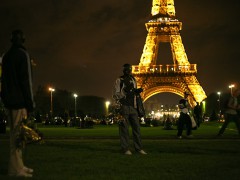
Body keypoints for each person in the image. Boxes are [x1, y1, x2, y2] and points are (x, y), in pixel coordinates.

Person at [1, 30, 35, 177]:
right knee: (17, 136)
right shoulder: (23, 54)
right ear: (23, 39)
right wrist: (30, 104)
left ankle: (19, 165)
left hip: (9, 101)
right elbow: (26, 81)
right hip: (19, 101)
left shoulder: (6, 56)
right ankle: (15, 169)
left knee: (16, 135)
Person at [113, 64, 147, 155]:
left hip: (133, 107)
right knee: (124, 129)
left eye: (129, 69)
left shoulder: (133, 79)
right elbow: (116, 94)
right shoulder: (119, 80)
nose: (128, 71)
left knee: (137, 128)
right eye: (126, 69)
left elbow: (134, 92)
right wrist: (125, 92)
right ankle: (125, 149)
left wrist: (135, 91)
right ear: (123, 70)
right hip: (124, 107)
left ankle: (138, 148)